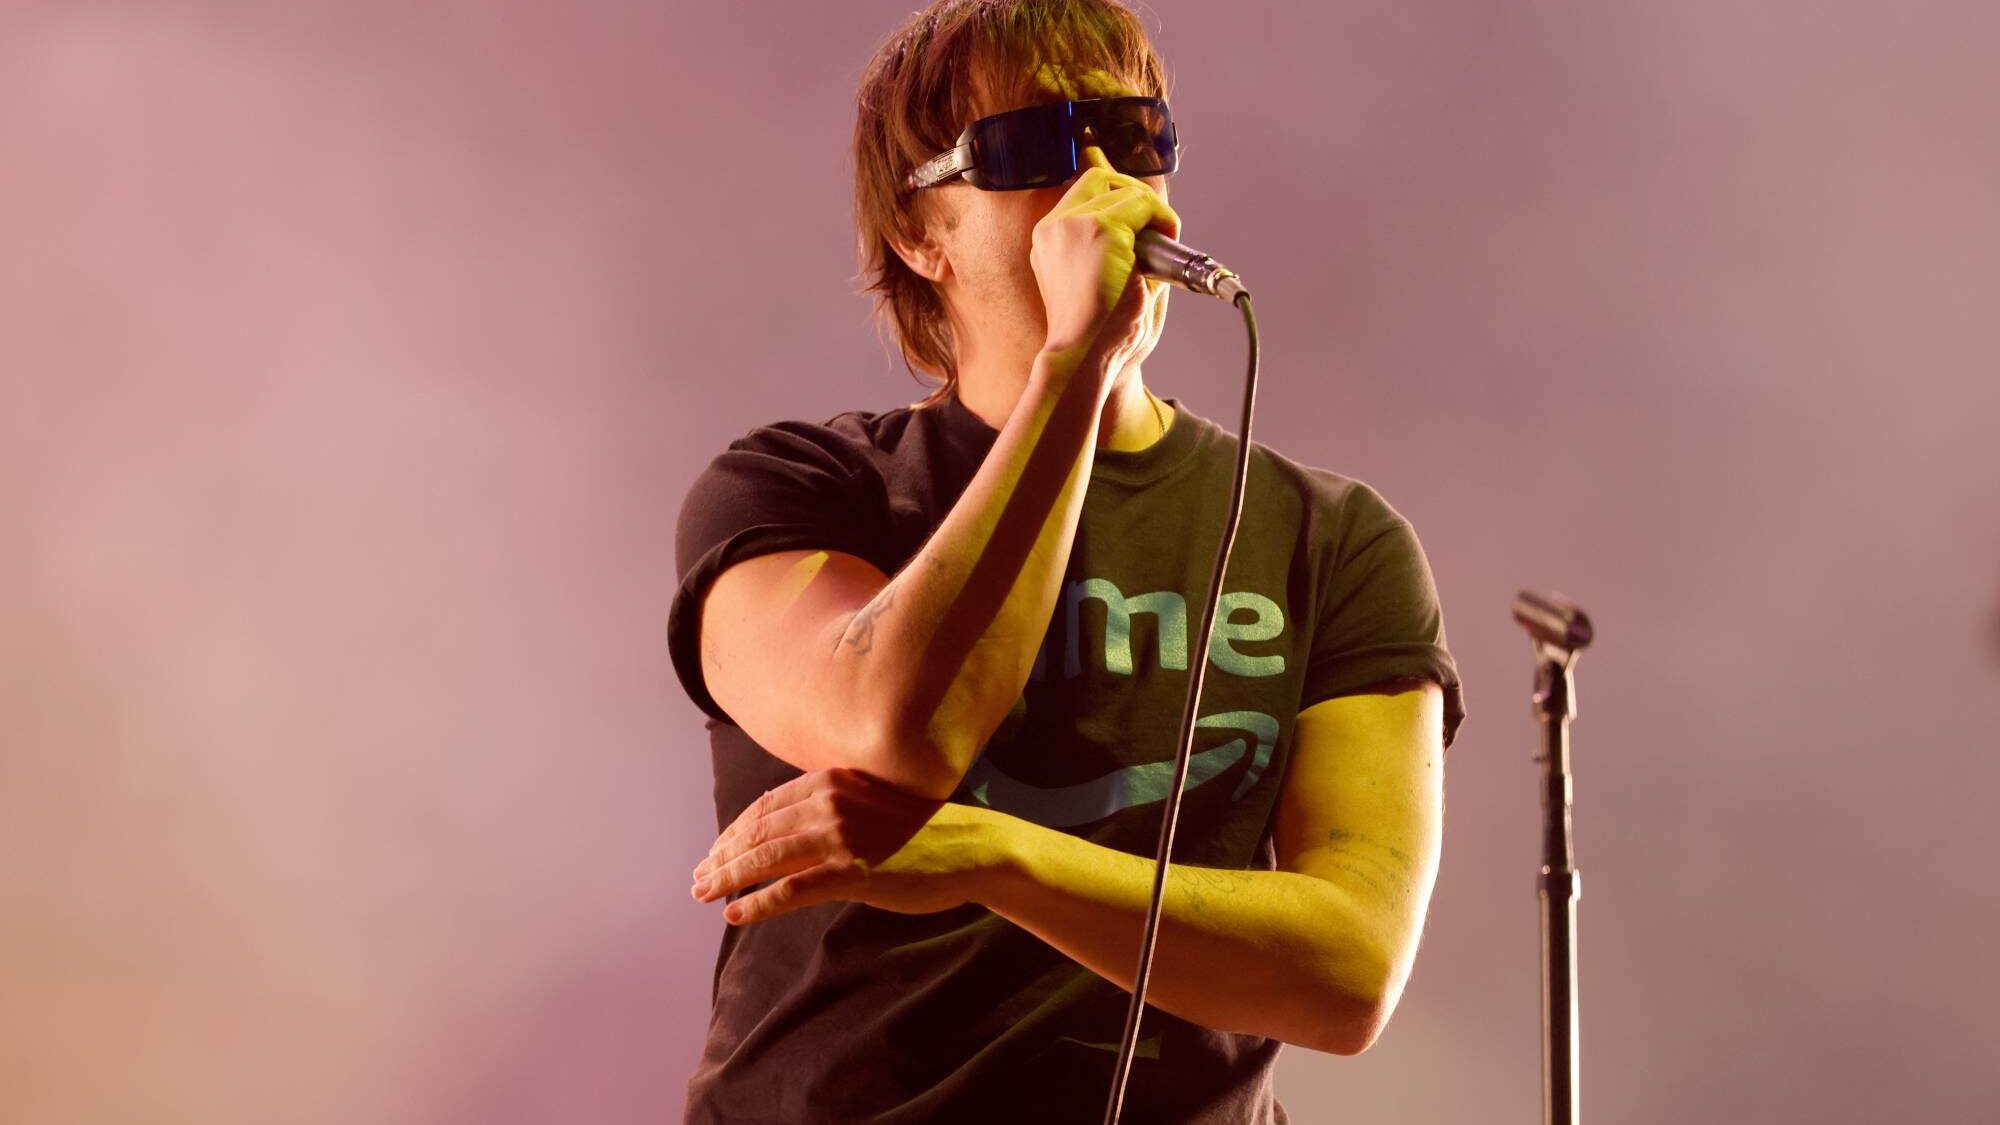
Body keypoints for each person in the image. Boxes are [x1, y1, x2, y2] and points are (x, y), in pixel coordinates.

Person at [666, 2, 1465, 1121]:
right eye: (1031, 148)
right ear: (917, 234)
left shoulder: (1330, 537)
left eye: (1132, 136)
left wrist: (997, 858)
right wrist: (1070, 366)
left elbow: (1345, 976)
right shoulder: (801, 490)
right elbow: (896, 734)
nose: (1101, 182)